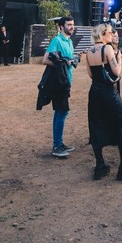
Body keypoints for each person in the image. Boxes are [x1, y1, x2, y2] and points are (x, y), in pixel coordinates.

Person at [85, 23, 122, 181]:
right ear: (103, 34)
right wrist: (119, 59)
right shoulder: (107, 49)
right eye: (110, 32)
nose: (111, 35)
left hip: (94, 92)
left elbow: (90, 74)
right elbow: (116, 72)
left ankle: (100, 165)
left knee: (97, 125)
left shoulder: (89, 51)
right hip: (109, 92)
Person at [44, 16, 76, 158]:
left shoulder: (69, 41)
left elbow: (67, 60)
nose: (71, 27)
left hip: (66, 82)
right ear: (62, 26)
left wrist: (73, 60)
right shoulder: (57, 40)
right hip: (58, 82)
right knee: (61, 112)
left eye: (72, 25)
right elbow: (45, 60)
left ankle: (59, 143)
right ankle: (57, 146)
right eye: (69, 25)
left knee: (61, 112)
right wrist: (63, 64)